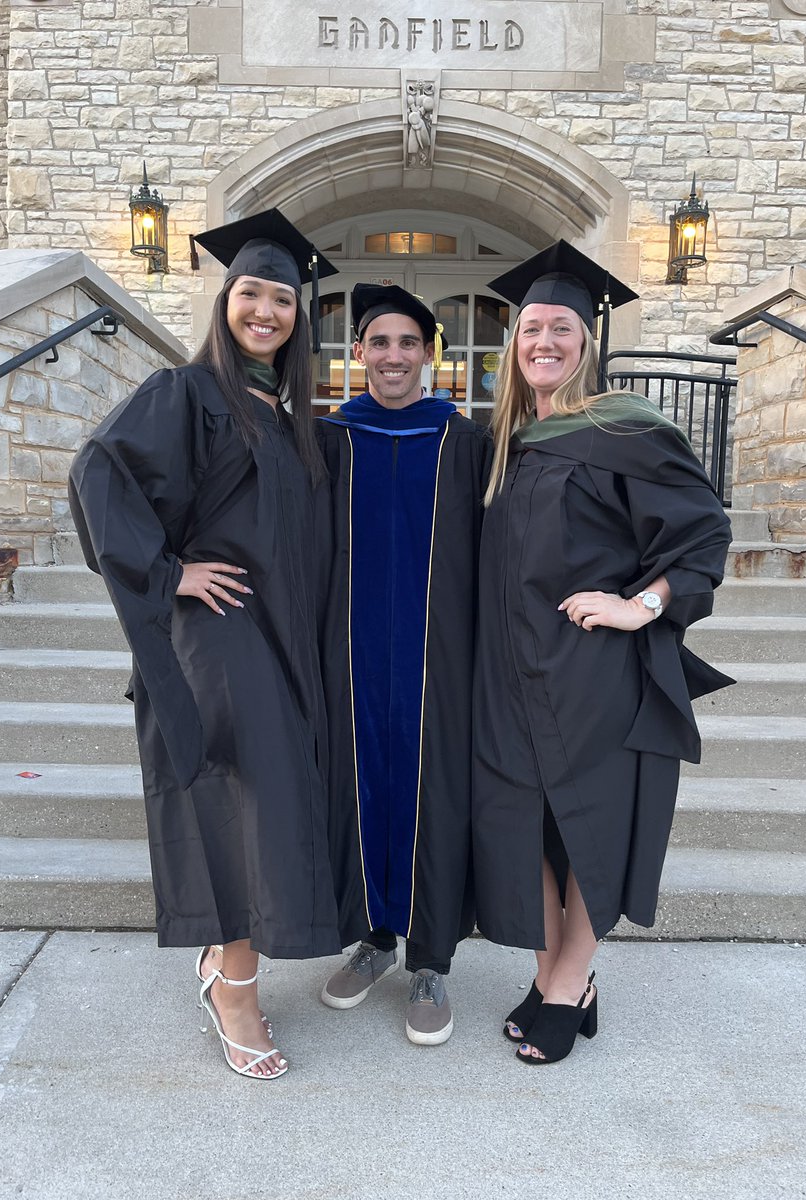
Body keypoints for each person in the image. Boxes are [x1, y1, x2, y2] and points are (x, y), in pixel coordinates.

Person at [68, 209, 345, 1080]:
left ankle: (226, 962)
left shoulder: (293, 415)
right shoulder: (185, 395)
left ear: (300, 318)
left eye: (281, 299)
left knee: (269, 800)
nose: (264, 310)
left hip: (280, 638)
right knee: (240, 808)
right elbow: (97, 472)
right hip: (219, 639)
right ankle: (235, 988)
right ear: (227, 299)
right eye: (250, 293)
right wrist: (168, 570)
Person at [472, 241, 733, 1065]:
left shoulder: (627, 431)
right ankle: (561, 975)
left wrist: (639, 605)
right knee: (530, 827)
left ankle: (570, 978)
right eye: (530, 330)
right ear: (513, 344)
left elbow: (702, 533)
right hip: (509, 671)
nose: (543, 342)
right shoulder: (507, 442)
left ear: (588, 341)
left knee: (588, 824)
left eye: (561, 330)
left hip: (592, 670)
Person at [316, 284, 490, 1045]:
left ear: (429, 355)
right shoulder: (327, 439)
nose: (392, 356)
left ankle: (430, 958)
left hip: (436, 657)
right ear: (357, 354)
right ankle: (374, 940)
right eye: (378, 343)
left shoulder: (465, 442)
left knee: (430, 795)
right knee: (359, 789)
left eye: (408, 343)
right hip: (349, 653)